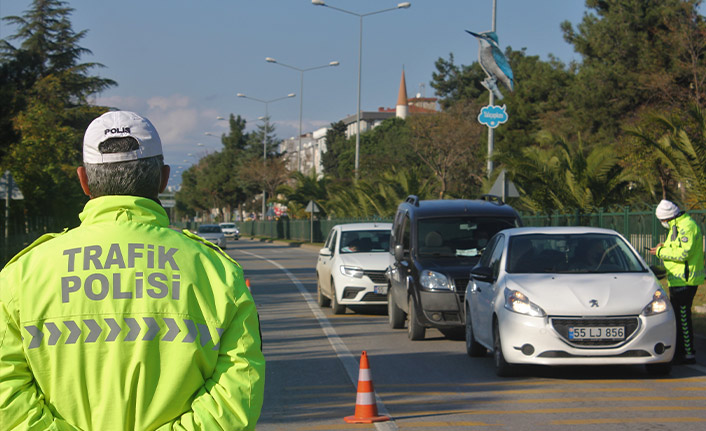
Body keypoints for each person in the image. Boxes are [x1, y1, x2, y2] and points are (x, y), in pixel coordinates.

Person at [0, 111, 265, 430]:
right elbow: (237, 394)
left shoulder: (23, 275)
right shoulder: (217, 272)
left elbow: (7, 395)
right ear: (163, 178)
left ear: (83, 180)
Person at [649, 199, 705, 365]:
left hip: (685, 280)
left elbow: (683, 253)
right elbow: (674, 247)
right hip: (677, 280)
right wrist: (663, 247)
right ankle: (680, 351)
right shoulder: (677, 227)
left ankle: (688, 354)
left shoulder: (686, 226)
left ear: (668, 218)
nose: (662, 224)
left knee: (683, 317)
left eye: (662, 221)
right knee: (679, 318)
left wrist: (660, 251)